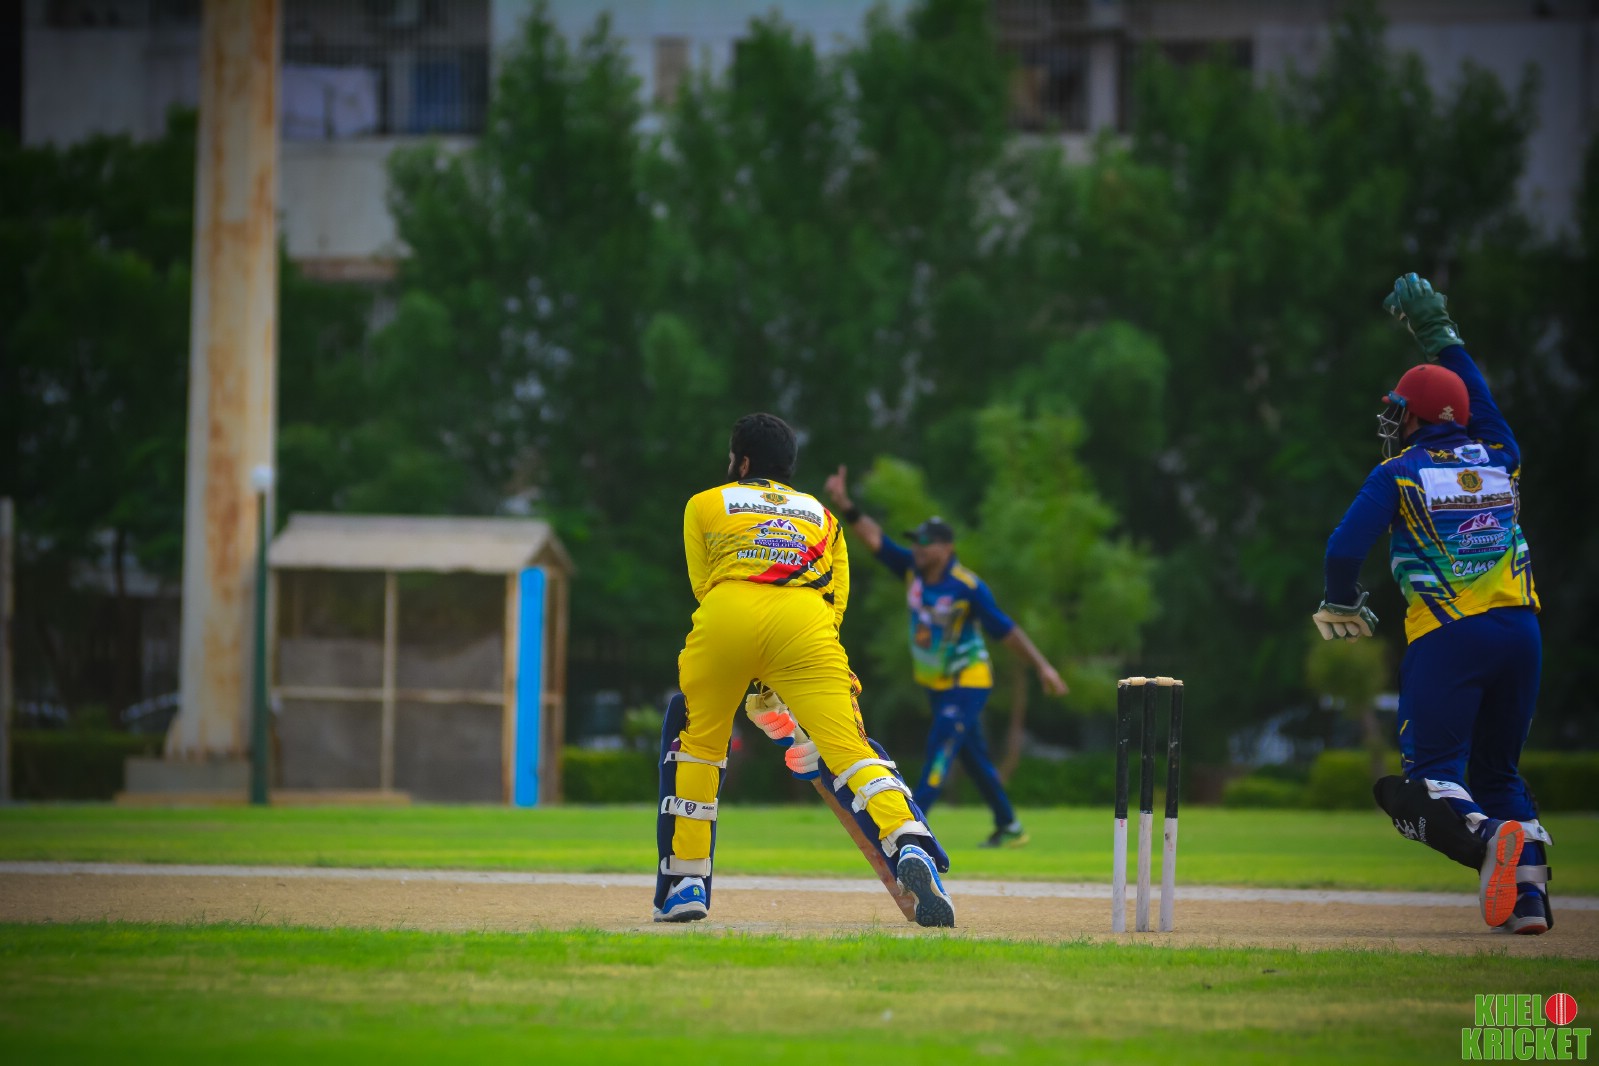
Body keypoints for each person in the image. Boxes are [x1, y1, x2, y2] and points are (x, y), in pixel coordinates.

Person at [1314, 273, 1549, 934]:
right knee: (1498, 771)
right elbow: (1477, 398)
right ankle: (1528, 903)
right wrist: (1440, 335)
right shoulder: (1501, 455)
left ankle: (1486, 839)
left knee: (1427, 779)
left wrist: (1342, 604)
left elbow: (1342, 550)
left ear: (1413, 417)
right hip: (1521, 633)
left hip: (1449, 637)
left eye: (1399, 410)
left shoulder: (1397, 474)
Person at [653, 413, 955, 927]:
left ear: (742, 462)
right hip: (806, 625)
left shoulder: (704, 503)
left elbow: (704, 586)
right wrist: (788, 679)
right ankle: (909, 841)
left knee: (700, 745)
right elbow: (835, 602)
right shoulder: (823, 517)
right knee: (850, 750)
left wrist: (755, 679)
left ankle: (685, 885)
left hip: (726, 616)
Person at [823, 468, 1068, 848]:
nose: (918, 548)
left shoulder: (967, 586)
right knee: (973, 758)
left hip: (967, 682)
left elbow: (1006, 629)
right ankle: (1009, 826)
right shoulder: (912, 571)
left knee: (939, 749)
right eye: (915, 542)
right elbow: (874, 539)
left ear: (946, 548)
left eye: (926, 543)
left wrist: (1043, 666)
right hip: (936, 685)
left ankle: (911, 830)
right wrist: (846, 505)